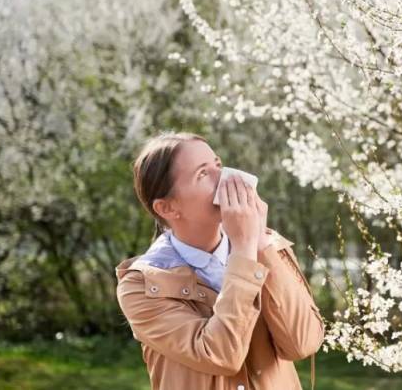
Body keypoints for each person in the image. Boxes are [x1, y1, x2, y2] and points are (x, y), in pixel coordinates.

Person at [115, 131, 324, 390]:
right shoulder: (141, 286)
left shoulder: (269, 247)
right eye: (203, 174)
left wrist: (258, 244)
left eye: (218, 165)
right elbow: (220, 355)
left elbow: (303, 343)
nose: (226, 179)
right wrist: (245, 252)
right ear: (167, 208)